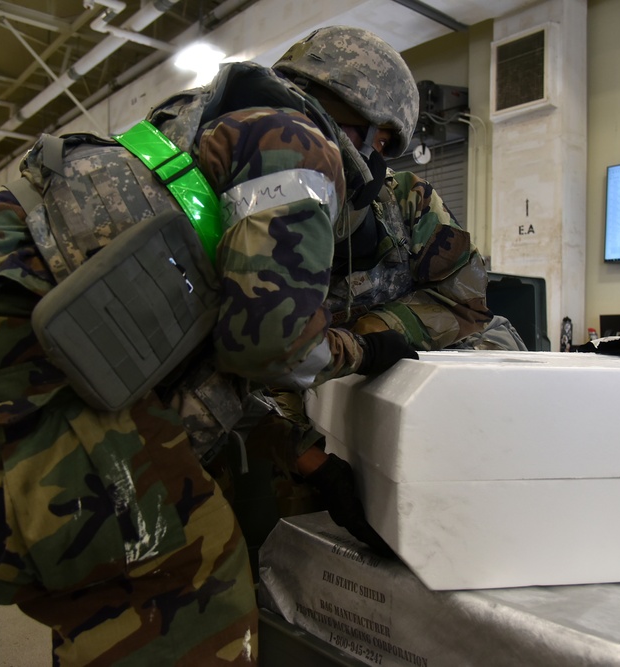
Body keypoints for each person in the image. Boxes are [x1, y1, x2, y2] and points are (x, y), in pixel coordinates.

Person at [0, 25, 431, 666]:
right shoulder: (300, 145)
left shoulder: (233, 121)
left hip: (11, 297)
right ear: (374, 130)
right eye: (384, 150)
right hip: (9, 306)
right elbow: (268, 345)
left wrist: (308, 459)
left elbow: (207, 357)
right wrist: (360, 349)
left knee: (123, 560)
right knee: (172, 581)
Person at [221, 35, 527, 564]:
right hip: (281, 430)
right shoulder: (238, 197)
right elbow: (232, 365)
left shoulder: (407, 207)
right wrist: (312, 461)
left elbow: (468, 303)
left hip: (394, 415)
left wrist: (370, 338)